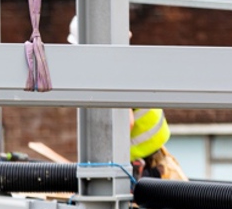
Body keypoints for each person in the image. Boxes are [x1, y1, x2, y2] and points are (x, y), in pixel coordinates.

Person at [68, 16, 187, 181]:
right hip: (151, 153)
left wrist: (110, 158)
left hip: (139, 159)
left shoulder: (113, 72)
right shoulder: (124, 63)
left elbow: (126, 121)